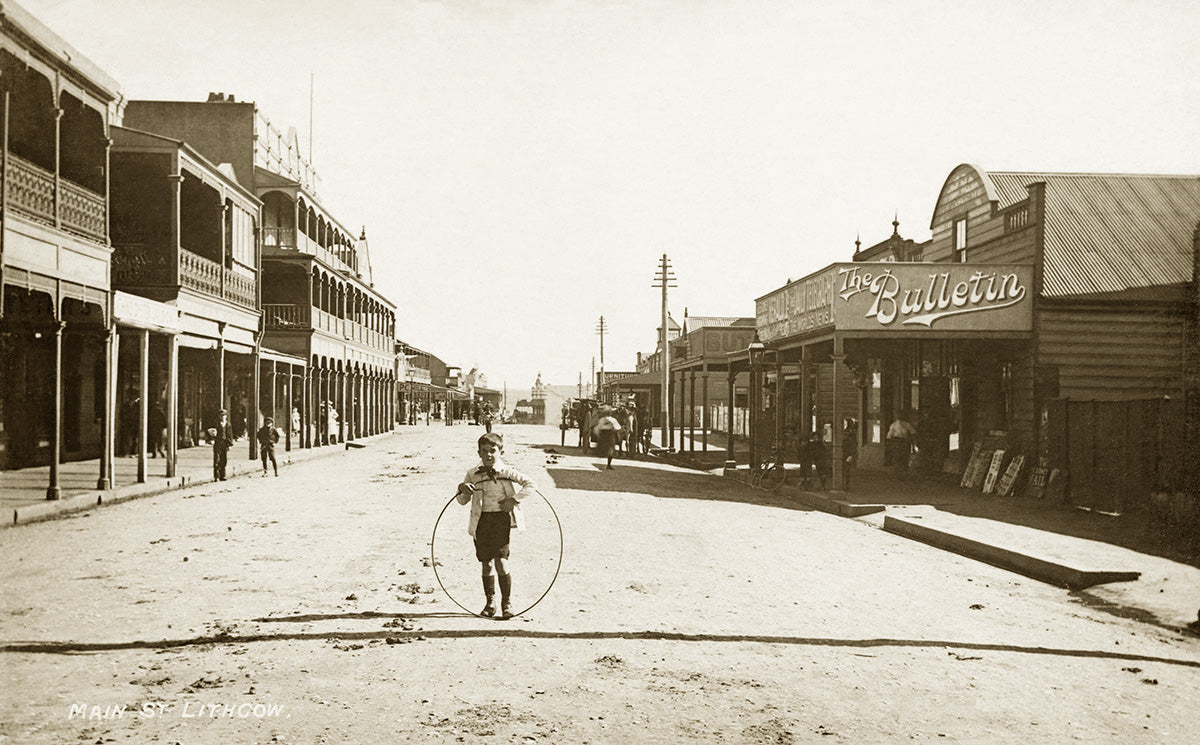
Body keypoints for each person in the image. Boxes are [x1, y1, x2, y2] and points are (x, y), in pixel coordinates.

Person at [454, 432, 538, 619]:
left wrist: (513, 500)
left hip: (500, 520)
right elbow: (461, 501)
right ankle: (490, 603)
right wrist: (462, 488)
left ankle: (506, 603)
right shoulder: (472, 474)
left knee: (501, 561)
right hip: (481, 521)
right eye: (484, 451)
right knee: (486, 563)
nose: (489, 455)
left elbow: (531, 484)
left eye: (493, 450)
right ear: (479, 453)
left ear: (501, 452)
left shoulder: (507, 472)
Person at [886, 410, 918, 474]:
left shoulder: (902, 424)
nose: (898, 416)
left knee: (901, 455)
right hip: (899, 441)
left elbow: (889, 435)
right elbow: (890, 435)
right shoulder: (896, 424)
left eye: (899, 415)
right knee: (899, 455)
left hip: (901, 441)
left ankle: (900, 469)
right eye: (898, 415)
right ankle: (899, 469)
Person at [212, 408, 233, 481]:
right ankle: (216, 476)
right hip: (218, 442)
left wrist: (229, 445)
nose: (223, 417)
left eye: (224, 415)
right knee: (217, 459)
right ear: (219, 416)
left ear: (226, 416)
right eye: (221, 415)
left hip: (225, 443)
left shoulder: (228, 425)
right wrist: (212, 438)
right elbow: (211, 432)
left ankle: (222, 475)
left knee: (224, 459)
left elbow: (230, 435)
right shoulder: (216, 424)